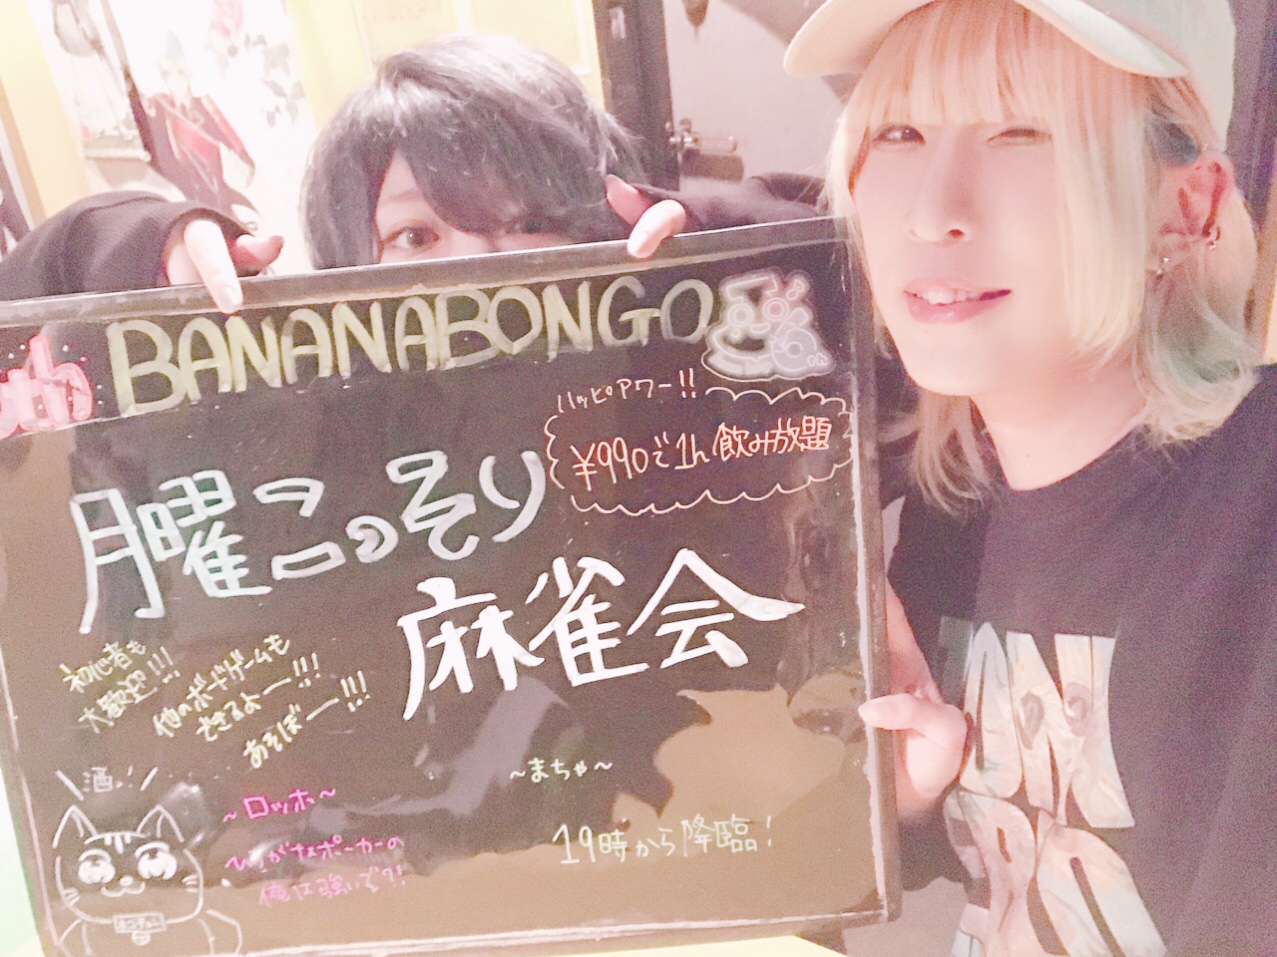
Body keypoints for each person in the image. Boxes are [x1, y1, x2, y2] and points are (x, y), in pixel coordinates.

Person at [775, 0, 1276, 953]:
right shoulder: (952, 506)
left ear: (1188, 206)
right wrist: (666, 321)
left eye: (1022, 133)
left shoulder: (1255, 490)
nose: (933, 211)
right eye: (899, 132)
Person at [0, 33, 686, 308]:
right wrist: (140, 248)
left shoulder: (658, 382)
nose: (478, 267)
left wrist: (706, 257)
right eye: (415, 236)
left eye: (530, 222)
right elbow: (25, 300)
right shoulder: (318, 411)